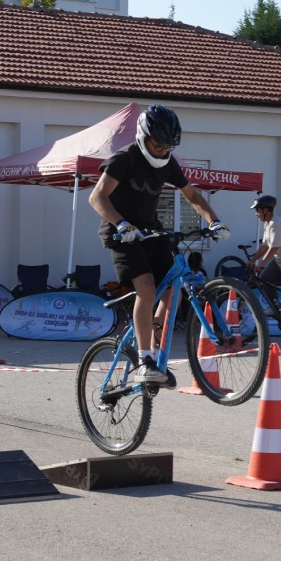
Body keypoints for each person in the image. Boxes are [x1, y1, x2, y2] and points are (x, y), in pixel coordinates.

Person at [89, 104, 230, 386]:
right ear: (143, 136)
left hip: (151, 232)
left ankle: (153, 348)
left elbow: (192, 196)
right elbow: (97, 197)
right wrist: (121, 224)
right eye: (158, 146)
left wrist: (214, 221)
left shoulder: (168, 162)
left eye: (168, 147)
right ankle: (144, 360)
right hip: (121, 235)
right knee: (148, 288)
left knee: (172, 291)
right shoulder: (125, 159)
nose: (163, 152)